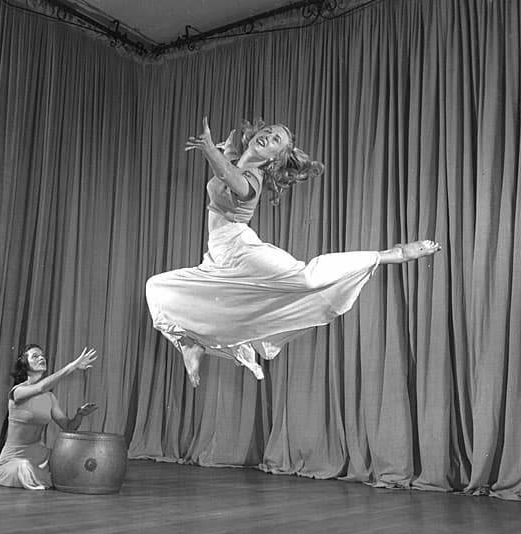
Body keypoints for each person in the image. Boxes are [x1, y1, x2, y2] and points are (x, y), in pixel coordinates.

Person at [146, 117, 441, 387]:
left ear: (274, 157)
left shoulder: (253, 179)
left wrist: (212, 151)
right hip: (217, 252)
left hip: (240, 248)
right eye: (268, 132)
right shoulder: (236, 158)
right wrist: (223, 149)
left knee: (307, 280)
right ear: (255, 134)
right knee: (158, 288)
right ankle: (189, 342)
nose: (269, 137)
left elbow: (232, 181)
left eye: (276, 141)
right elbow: (228, 165)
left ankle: (392, 254)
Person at [0, 345, 98, 490]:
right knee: (24, 468)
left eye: (42, 355)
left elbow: (69, 427)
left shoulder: (49, 397)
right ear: (25, 364)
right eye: (35, 356)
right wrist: (72, 366)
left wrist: (79, 414)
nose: (41, 358)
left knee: (72, 465)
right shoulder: (17, 392)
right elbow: (39, 388)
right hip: (14, 459)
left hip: (41, 455)